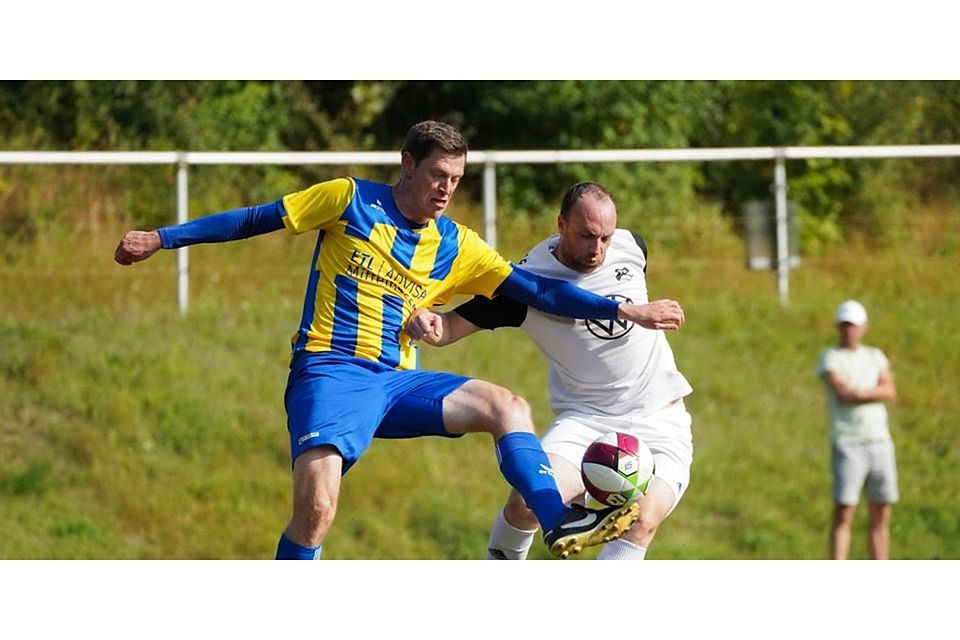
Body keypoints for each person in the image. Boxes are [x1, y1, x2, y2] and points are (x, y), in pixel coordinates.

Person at [113, 121, 686, 559]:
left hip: (398, 382)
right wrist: (163, 238)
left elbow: (541, 293)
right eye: (439, 176)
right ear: (407, 164)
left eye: (456, 181)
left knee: (506, 405)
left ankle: (559, 521)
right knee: (315, 512)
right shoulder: (347, 199)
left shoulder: (457, 243)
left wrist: (625, 309)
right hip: (330, 370)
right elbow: (252, 219)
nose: (446, 190)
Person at [406, 181, 693, 560]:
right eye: (587, 236)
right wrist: (425, 320)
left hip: (660, 418)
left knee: (642, 521)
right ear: (561, 224)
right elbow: (447, 331)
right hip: (586, 420)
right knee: (526, 504)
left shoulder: (632, 246)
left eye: (605, 237)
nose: (598, 250)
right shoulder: (523, 284)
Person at [816, 299, 898, 560]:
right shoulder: (830, 357)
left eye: (853, 325)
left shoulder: (875, 356)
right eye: (844, 325)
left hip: (880, 441)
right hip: (849, 442)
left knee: (881, 510)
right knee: (845, 510)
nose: (848, 330)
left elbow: (889, 390)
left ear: (863, 327)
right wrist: (874, 391)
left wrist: (859, 391)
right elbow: (843, 394)